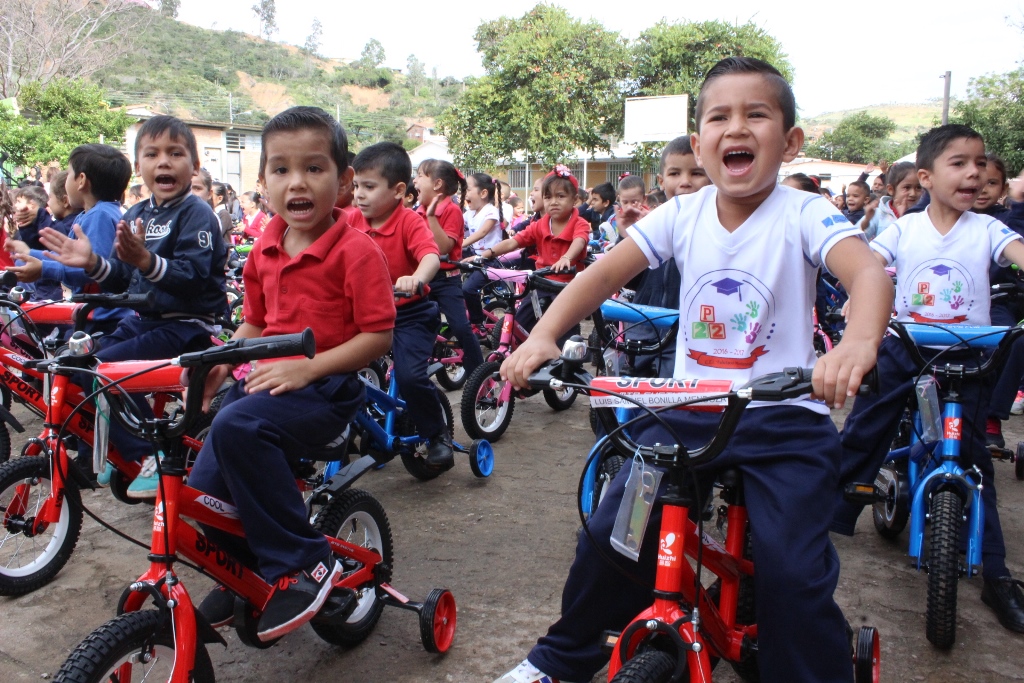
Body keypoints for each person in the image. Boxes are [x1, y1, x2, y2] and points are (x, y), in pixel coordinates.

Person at [494, 56, 892, 683]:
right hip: (687, 413)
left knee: (793, 572)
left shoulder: (804, 214)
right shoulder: (681, 213)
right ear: (700, 142)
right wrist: (544, 335)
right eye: (719, 117)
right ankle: (560, 661)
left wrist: (856, 344)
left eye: (755, 115)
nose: (736, 128)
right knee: (613, 537)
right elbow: (599, 275)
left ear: (789, 142)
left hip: (785, 416)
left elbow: (867, 272)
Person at [188, 106, 396, 639]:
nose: (296, 182)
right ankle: (246, 572)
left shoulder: (356, 251)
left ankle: (306, 562)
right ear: (262, 183)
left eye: (314, 168)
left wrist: (308, 369)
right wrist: (217, 363)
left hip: (325, 389)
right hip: (265, 383)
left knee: (237, 429)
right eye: (281, 170)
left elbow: (378, 337)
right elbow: (254, 321)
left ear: (345, 182)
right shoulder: (265, 247)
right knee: (201, 491)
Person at [831, 124, 1024, 634]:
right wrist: (859, 286)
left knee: (973, 459)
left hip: (970, 354)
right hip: (907, 345)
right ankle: (830, 514)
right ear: (927, 176)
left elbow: (1016, 253)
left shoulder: (988, 229)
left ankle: (998, 575)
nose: (974, 173)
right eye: (959, 163)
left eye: (980, 163)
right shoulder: (905, 228)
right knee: (866, 426)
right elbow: (870, 261)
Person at [38, 115, 227, 498]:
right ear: (138, 165)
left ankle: (150, 457)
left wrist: (146, 262)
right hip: (143, 321)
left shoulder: (196, 213)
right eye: (152, 154)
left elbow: (193, 276)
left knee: (109, 373)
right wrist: (92, 263)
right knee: (70, 368)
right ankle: (110, 449)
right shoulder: (137, 215)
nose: (164, 162)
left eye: (176, 153)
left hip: (188, 326)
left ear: (194, 165)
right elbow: (125, 279)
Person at [350, 142, 452, 468]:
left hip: (410, 313)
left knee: (409, 377)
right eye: (355, 187)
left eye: (368, 187)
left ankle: (437, 434)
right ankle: (352, 429)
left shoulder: (410, 222)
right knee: (332, 368)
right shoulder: (351, 221)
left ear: (397, 191)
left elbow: (431, 256)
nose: (359, 195)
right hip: (366, 313)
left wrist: (417, 278)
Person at [474, 165, 590, 348]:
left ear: (575, 200)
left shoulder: (579, 222)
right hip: (540, 283)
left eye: (561, 196)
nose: (554, 202)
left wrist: (567, 257)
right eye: (548, 197)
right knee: (519, 322)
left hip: (567, 288)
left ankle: (565, 364)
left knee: (563, 334)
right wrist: (483, 256)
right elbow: (514, 242)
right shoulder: (540, 224)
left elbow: (580, 241)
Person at [627, 136, 713, 378]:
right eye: (675, 174)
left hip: (688, 335)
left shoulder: (715, 227)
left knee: (672, 400)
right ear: (661, 181)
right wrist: (626, 238)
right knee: (634, 397)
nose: (685, 182)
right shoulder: (652, 224)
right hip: (644, 327)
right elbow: (629, 280)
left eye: (696, 173)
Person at [7, 146, 129, 312]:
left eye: (68, 174)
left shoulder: (99, 216)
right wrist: (29, 253)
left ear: (81, 181)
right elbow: (69, 258)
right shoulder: (95, 213)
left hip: (104, 317)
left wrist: (44, 269)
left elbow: (90, 268)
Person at [413, 159, 484, 376]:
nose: (414, 181)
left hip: (446, 279)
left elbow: (444, 246)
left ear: (437, 185)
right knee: (419, 325)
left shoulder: (451, 211)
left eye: (419, 176)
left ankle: (479, 374)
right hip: (425, 278)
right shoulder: (417, 211)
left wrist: (432, 217)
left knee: (461, 327)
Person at [859, 161, 922, 240]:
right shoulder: (878, 215)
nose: (913, 193)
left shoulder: (923, 215)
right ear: (891, 189)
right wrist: (866, 221)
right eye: (907, 187)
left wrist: (903, 218)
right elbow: (855, 241)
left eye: (918, 187)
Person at [597, 174, 647, 248]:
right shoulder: (614, 220)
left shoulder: (649, 218)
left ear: (644, 199)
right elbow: (602, 243)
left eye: (634, 202)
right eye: (625, 202)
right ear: (619, 199)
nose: (629, 207)